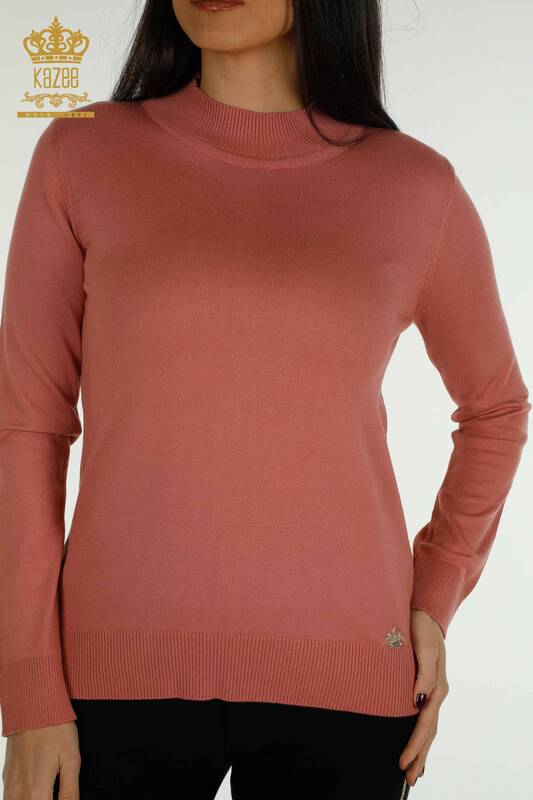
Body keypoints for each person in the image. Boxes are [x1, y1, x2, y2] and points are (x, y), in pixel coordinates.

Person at [0, 1, 529, 798]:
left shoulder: (415, 187)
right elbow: (26, 427)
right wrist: (29, 689)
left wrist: (434, 596)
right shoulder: (82, 153)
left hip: (350, 681)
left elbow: (496, 411)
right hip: (103, 685)